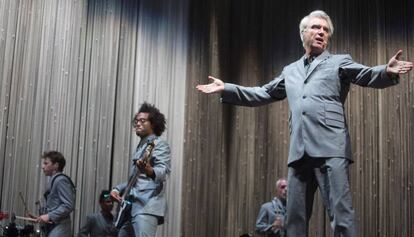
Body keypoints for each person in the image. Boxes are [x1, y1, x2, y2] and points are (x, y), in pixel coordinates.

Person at [196, 10, 413, 237]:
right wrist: (228, 88)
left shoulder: (339, 62)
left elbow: (366, 74)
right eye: (316, 27)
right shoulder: (290, 71)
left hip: (331, 147)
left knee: (341, 214)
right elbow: (263, 92)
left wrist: (386, 72)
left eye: (325, 30)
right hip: (299, 151)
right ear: (303, 34)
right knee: (294, 219)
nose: (321, 32)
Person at [110, 102, 171, 237]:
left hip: (146, 207)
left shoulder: (159, 144)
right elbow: (135, 180)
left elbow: (163, 172)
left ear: (153, 124)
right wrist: (117, 189)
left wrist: (149, 170)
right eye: (136, 121)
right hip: (130, 207)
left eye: (142, 121)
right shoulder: (141, 147)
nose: (137, 124)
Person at [36, 151, 75, 237]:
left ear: (56, 165)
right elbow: (55, 205)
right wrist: (43, 216)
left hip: (60, 227)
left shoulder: (60, 180)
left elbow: (69, 205)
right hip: (55, 226)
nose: (42, 167)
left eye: (46, 163)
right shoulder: (55, 180)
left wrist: (49, 216)